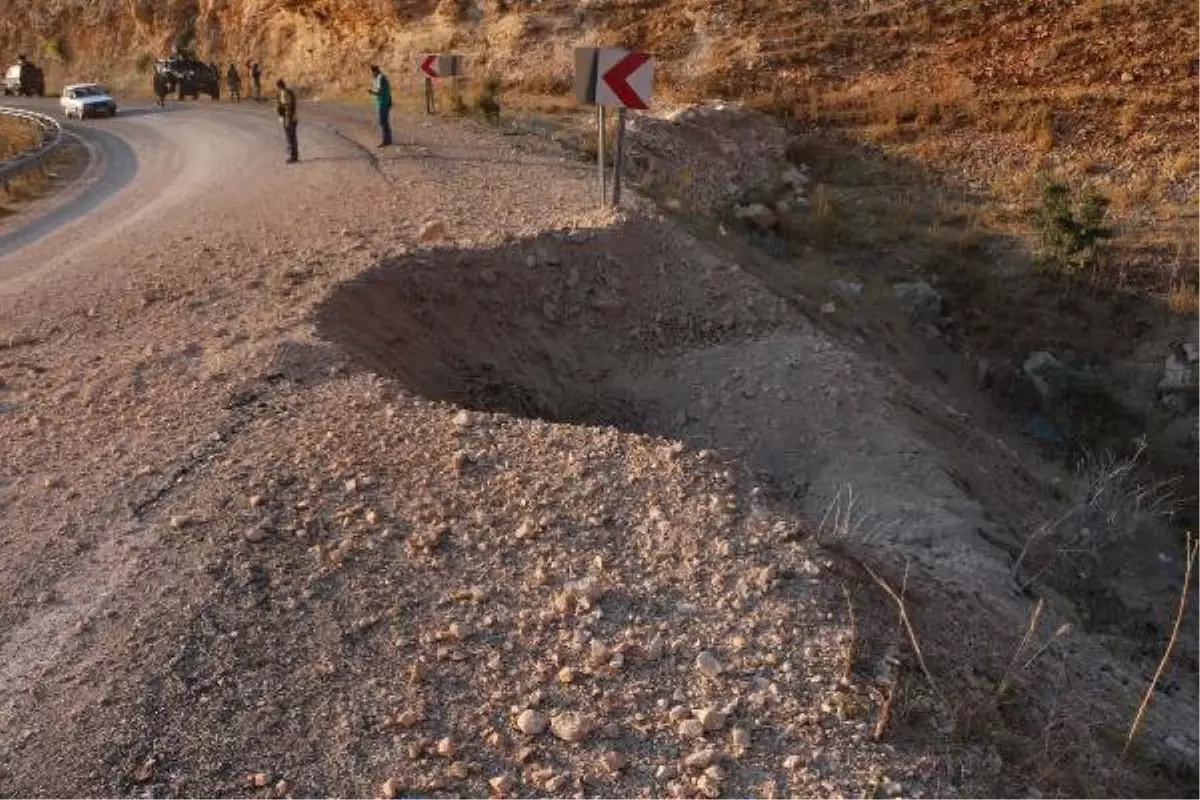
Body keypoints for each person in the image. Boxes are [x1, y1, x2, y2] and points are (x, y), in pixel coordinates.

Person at [368, 64, 393, 148]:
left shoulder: (380, 78)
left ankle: (385, 141)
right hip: (384, 102)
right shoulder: (381, 78)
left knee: (382, 122)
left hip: (383, 102)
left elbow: (380, 91)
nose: (371, 74)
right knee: (384, 121)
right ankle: (388, 139)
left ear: (374, 71)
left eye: (372, 72)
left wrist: (371, 92)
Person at [276, 78, 298, 163]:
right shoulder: (289, 91)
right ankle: (294, 156)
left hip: (289, 118)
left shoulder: (284, 93)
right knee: (293, 137)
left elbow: (287, 107)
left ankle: (292, 156)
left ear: (279, 86)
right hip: (294, 117)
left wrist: (287, 119)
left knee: (289, 137)